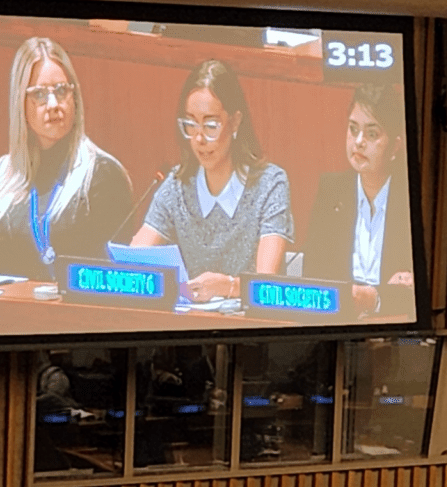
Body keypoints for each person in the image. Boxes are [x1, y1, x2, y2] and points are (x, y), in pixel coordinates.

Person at [129, 59, 293, 303]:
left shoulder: (270, 184)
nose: (199, 138)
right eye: (191, 124)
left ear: (235, 122)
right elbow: (133, 261)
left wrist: (226, 286)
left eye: (211, 125)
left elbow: (265, 285)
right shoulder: (176, 185)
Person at [0, 37, 135, 281]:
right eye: (40, 94)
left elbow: (112, 275)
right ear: (20, 103)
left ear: (74, 97)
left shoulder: (103, 176)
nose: (53, 104)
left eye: (62, 90)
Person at [304, 83, 414, 317]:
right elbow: (313, 276)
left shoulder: (408, 198)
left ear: (395, 145)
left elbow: (414, 292)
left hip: (398, 332)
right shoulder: (331, 190)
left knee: (409, 347)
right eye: (353, 129)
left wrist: (375, 299)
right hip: (337, 324)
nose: (359, 141)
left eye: (372, 133)